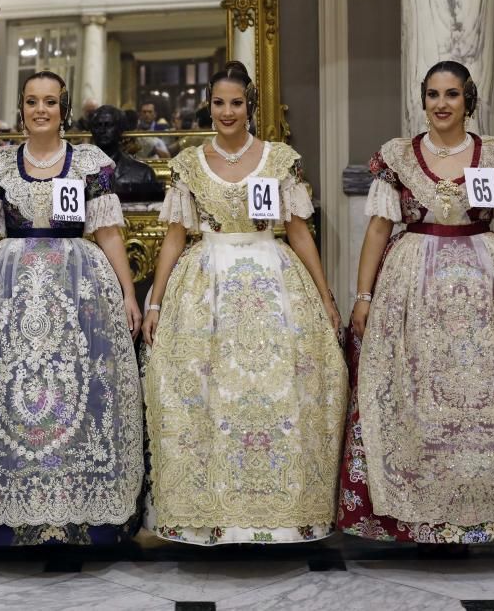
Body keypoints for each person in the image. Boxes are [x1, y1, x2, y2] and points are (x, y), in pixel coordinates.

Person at [339, 60, 494, 544]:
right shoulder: (398, 156)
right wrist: (364, 296)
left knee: (491, 393)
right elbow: (377, 231)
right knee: (417, 395)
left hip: (489, 288)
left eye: (451, 94)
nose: (441, 104)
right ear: (423, 100)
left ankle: (483, 514)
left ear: (467, 100)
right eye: (433, 94)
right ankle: (421, 515)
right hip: (413, 289)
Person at [0, 70, 144, 545]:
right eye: (32, 101)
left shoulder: (90, 163)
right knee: (11, 391)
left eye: (50, 101)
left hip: (78, 291)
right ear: (22, 108)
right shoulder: (0, 166)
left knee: (77, 392)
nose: (41, 109)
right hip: (9, 291)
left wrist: (129, 294)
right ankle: (12, 503)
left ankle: (74, 508)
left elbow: (109, 233)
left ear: (63, 109)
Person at [142, 61, 347, 545]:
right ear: (208, 106)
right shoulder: (188, 163)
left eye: (236, 103)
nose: (227, 112)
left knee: (281, 394)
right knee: (208, 397)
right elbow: (174, 238)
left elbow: (299, 231)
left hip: (273, 281)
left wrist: (325, 296)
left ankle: (279, 515)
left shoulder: (279, 159)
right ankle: (209, 515)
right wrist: (155, 302)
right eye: (218, 103)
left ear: (250, 107)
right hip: (206, 284)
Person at [90, 104, 163, 202]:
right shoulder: (78, 170)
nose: (102, 130)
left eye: (108, 125)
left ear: (120, 129)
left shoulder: (143, 173)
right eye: (98, 125)